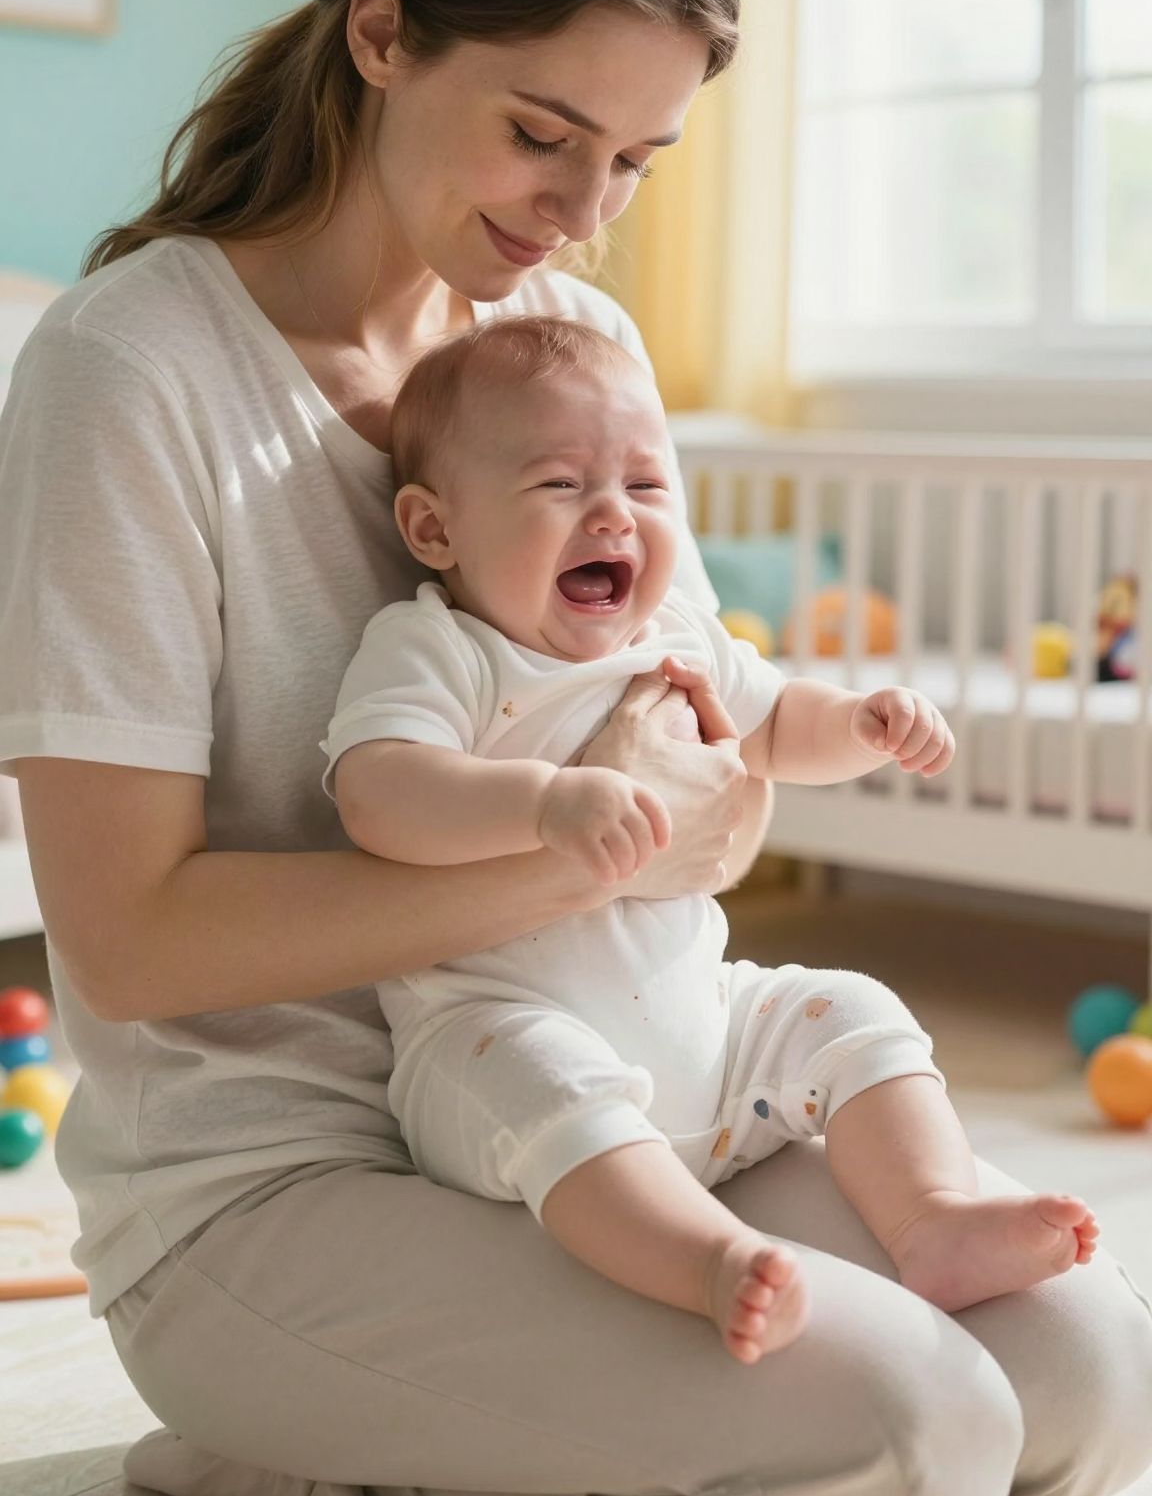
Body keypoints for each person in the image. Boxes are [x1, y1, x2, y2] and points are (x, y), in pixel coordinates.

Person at [0, 0, 1148, 1496]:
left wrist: (699, 807)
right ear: (382, 34)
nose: (581, 211)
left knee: (1084, 1381)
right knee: (908, 1449)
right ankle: (290, 1445)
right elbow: (128, 944)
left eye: (634, 161)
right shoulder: (131, 375)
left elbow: (714, 784)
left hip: (632, 1105)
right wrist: (568, 850)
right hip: (280, 1182)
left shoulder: (571, 352)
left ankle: (509, 1430)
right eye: (544, 134)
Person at [323, 313, 1098, 1366]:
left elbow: (776, 723)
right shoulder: (439, 649)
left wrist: (864, 722)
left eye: (645, 486)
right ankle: (709, 1263)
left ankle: (934, 1220)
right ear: (435, 528)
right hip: (501, 1025)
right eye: (559, 485)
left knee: (850, 1007)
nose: (613, 516)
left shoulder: (676, 635)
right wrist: (546, 802)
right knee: (540, 1080)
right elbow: (379, 792)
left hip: (711, 1037)